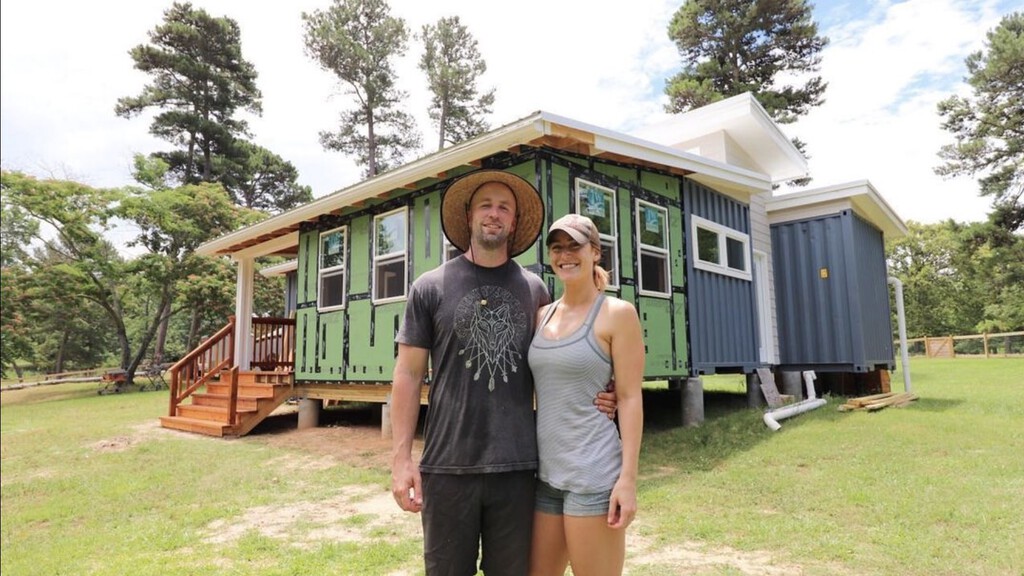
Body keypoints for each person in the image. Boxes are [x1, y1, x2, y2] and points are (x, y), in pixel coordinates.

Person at [390, 170, 616, 576]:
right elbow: (407, 375)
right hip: (447, 466)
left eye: (504, 208)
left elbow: (563, 361)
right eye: (486, 205)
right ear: (469, 216)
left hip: (518, 469)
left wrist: (604, 390)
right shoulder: (430, 286)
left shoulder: (536, 293)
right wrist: (401, 459)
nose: (494, 214)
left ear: (513, 223)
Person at [527, 214, 645, 576]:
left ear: (595, 252)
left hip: (594, 477)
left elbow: (628, 397)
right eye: (557, 247)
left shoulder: (617, 314)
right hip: (546, 476)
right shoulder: (542, 315)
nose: (565, 255)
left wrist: (627, 480)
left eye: (574, 246)